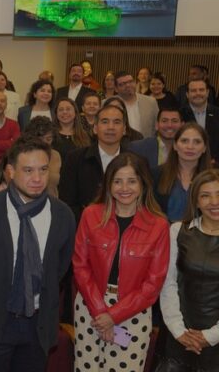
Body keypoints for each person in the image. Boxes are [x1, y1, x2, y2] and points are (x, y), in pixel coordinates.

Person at [0, 138, 75, 372]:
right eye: (28, 170)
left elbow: (60, 268)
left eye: (43, 170)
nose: (37, 178)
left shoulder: (63, 215)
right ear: (10, 172)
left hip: (37, 324)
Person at [72, 153, 169, 372]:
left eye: (132, 181)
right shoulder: (91, 215)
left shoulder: (158, 225)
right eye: (117, 181)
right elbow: (80, 265)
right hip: (90, 306)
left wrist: (114, 316)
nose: (124, 188)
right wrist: (100, 311)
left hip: (133, 310)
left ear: (143, 184)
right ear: (108, 185)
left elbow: (153, 284)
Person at [158, 169, 219, 372]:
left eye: (218, 194)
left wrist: (209, 337)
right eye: (205, 195)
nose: (214, 202)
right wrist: (178, 331)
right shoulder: (177, 231)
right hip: (179, 334)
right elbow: (168, 283)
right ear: (196, 201)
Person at [59, 104, 127, 223]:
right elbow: (67, 203)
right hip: (84, 228)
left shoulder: (135, 161)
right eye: (105, 122)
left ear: (124, 129)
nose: (111, 127)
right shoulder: (75, 159)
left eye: (117, 122)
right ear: (95, 128)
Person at [153, 123, 212, 223]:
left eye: (197, 142)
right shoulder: (155, 174)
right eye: (184, 141)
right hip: (164, 235)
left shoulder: (213, 178)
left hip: (201, 236)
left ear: (204, 148)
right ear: (175, 145)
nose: (190, 146)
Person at [180, 78, 219, 166]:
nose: (198, 93)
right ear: (187, 94)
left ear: (207, 92)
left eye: (201, 90)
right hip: (187, 165)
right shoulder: (179, 115)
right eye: (193, 90)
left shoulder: (217, 113)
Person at [21, 116, 61, 197]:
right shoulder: (24, 155)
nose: (45, 143)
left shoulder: (55, 155)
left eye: (49, 139)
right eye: (41, 139)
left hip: (52, 202)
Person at [114, 70, 159, 138]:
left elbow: (157, 127)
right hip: (118, 146)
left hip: (144, 145)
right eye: (123, 84)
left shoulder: (151, 102)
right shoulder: (108, 103)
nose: (128, 85)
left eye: (130, 81)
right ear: (116, 89)